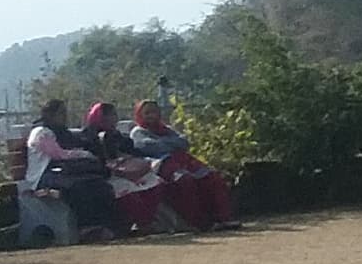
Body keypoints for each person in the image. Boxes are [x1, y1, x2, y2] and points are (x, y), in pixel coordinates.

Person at [129, 93, 240, 231]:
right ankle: (200, 223)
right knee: (185, 181)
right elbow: (150, 147)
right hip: (161, 166)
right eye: (147, 113)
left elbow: (184, 143)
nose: (151, 115)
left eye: (154, 112)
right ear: (140, 115)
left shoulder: (166, 129)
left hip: (183, 162)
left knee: (212, 177)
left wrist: (166, 143)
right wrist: (171, 144)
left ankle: (223, 218)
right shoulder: (138, 132)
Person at [23, 97, 126, 238]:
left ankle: (104, 224)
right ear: (50, 114)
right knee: (78, 186)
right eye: (61, 113)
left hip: (64, 171)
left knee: (98, 184)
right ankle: (86, 226)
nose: (64, 116)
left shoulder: (63, 132)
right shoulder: (41, 132)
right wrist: (83, 154)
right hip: (45, 175)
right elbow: (58, 154)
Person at [81, 103, 170, 233]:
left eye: (114, 114)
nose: (114, 118)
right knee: (126, 189)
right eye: (110, 115)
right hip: (108, 175)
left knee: (155, 182)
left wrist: (130, 159)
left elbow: (133, 152)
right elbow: (95, 159)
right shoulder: (88, 137)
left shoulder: (117, 135)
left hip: (129, 171)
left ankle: (147, 222)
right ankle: (140, 223)